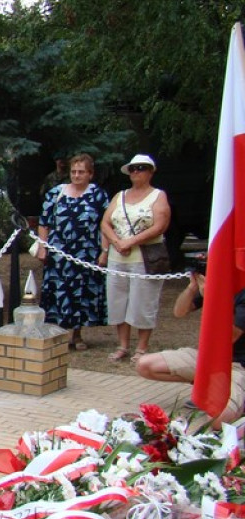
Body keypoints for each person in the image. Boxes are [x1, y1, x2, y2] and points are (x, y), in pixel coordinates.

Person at [136, 271, 245, 426]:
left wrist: (212, 298)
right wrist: (191, 288)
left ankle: (237, 398)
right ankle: (207, 387)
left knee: (217, 422)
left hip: (238, 366)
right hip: (208, 358)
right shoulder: (218, 285)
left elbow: (229, 337)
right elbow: (179, 312)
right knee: (144, 365)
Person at [100, 154, 171, 364]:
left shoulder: (158, 196)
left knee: (143, 301)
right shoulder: (119, 196)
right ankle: (122, 344)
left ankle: (142, 347)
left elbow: (160, 225)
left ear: (151, 171)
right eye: (133, 168)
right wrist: (116, 242)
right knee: (117, 301)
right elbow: (105, 222)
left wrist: (130, 242)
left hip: (145, 257)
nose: (136, 172)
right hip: (117, 257)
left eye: (141, 168)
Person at [36, 154, 109, 350]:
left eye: (81, 172)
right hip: (59, 254)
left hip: (86, 254)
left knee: (81, 294)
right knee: (58, 293)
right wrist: (43, 247)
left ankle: (77, 335)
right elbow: (44, 223)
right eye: (74, 172)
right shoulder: (55, 194)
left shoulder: (98, 195)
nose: (77, 176)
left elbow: (106, 225)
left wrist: (105, 251)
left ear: (90, 174)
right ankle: (57, 335)